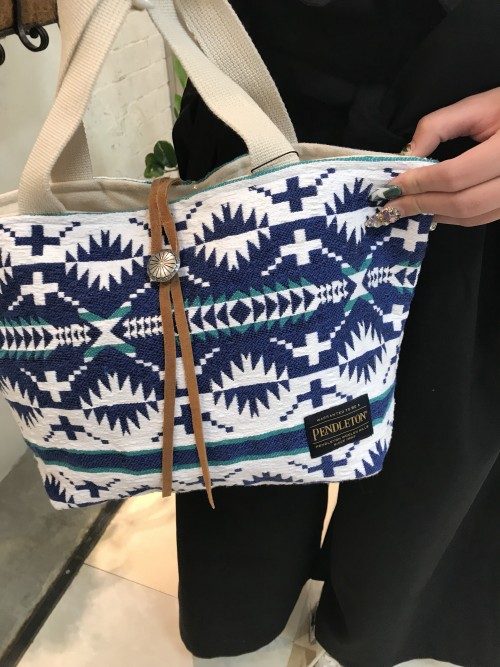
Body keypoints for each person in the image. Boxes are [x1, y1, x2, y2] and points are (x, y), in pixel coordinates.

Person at [172, 1, 500, 665]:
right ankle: (246, 619)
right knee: (244, 425)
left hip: (475, 137)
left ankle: (372, 631)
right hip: (255, 91)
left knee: (436, 448)